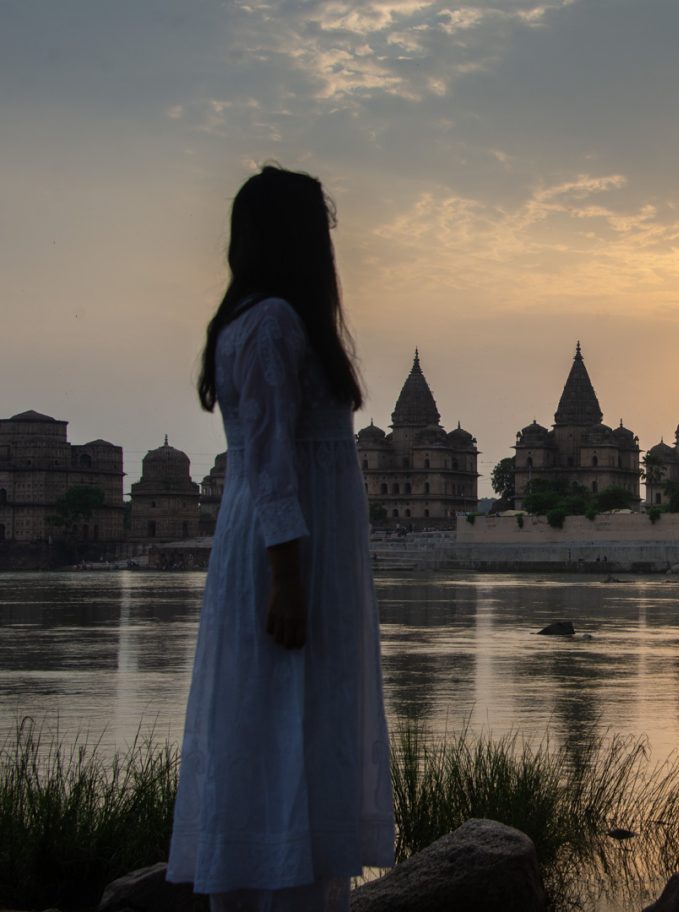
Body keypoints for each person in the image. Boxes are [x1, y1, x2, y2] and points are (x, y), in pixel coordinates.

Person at [167, 165, 394, 910]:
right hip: (287, 561)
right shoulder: (272, 324)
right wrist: (290, 581)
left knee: (291, 716)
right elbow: (267, 464)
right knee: (280, 717)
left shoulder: (270, 321)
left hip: (293, 554)